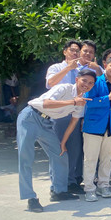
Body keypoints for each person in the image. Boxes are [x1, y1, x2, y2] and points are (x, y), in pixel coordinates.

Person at [17, 69, 96, 212]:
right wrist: (72, 101)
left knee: (60, 154)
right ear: (77, 79)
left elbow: (73, 122)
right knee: (26, 158)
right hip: (30, 117)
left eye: (91, 83)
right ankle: (30, 197)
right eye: (84, 80)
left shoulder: (82, 101)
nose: (87, 84)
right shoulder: (64, 88)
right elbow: (46, 103)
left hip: (47, 124)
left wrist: (63, 142)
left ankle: (58, 191)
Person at [69, 58, 111, 202]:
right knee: (90, 159)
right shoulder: (94, 81)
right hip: (93, 127)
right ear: (105, 65)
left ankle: (103, 185)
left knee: (106, 158)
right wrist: (108, 98)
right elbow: (88, 102)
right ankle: (89, 188)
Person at [45, 40, 87, 194]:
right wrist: (68, 68)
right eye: (73, 50)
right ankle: (56, 185)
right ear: (65, 51)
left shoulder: (81, 71)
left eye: (78, 51)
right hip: (59, 113)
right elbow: (50, 83)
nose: (75, 53)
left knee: (74, 149)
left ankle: (71, 181)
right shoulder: (56, 68)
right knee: (58, 149)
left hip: (75, 113)